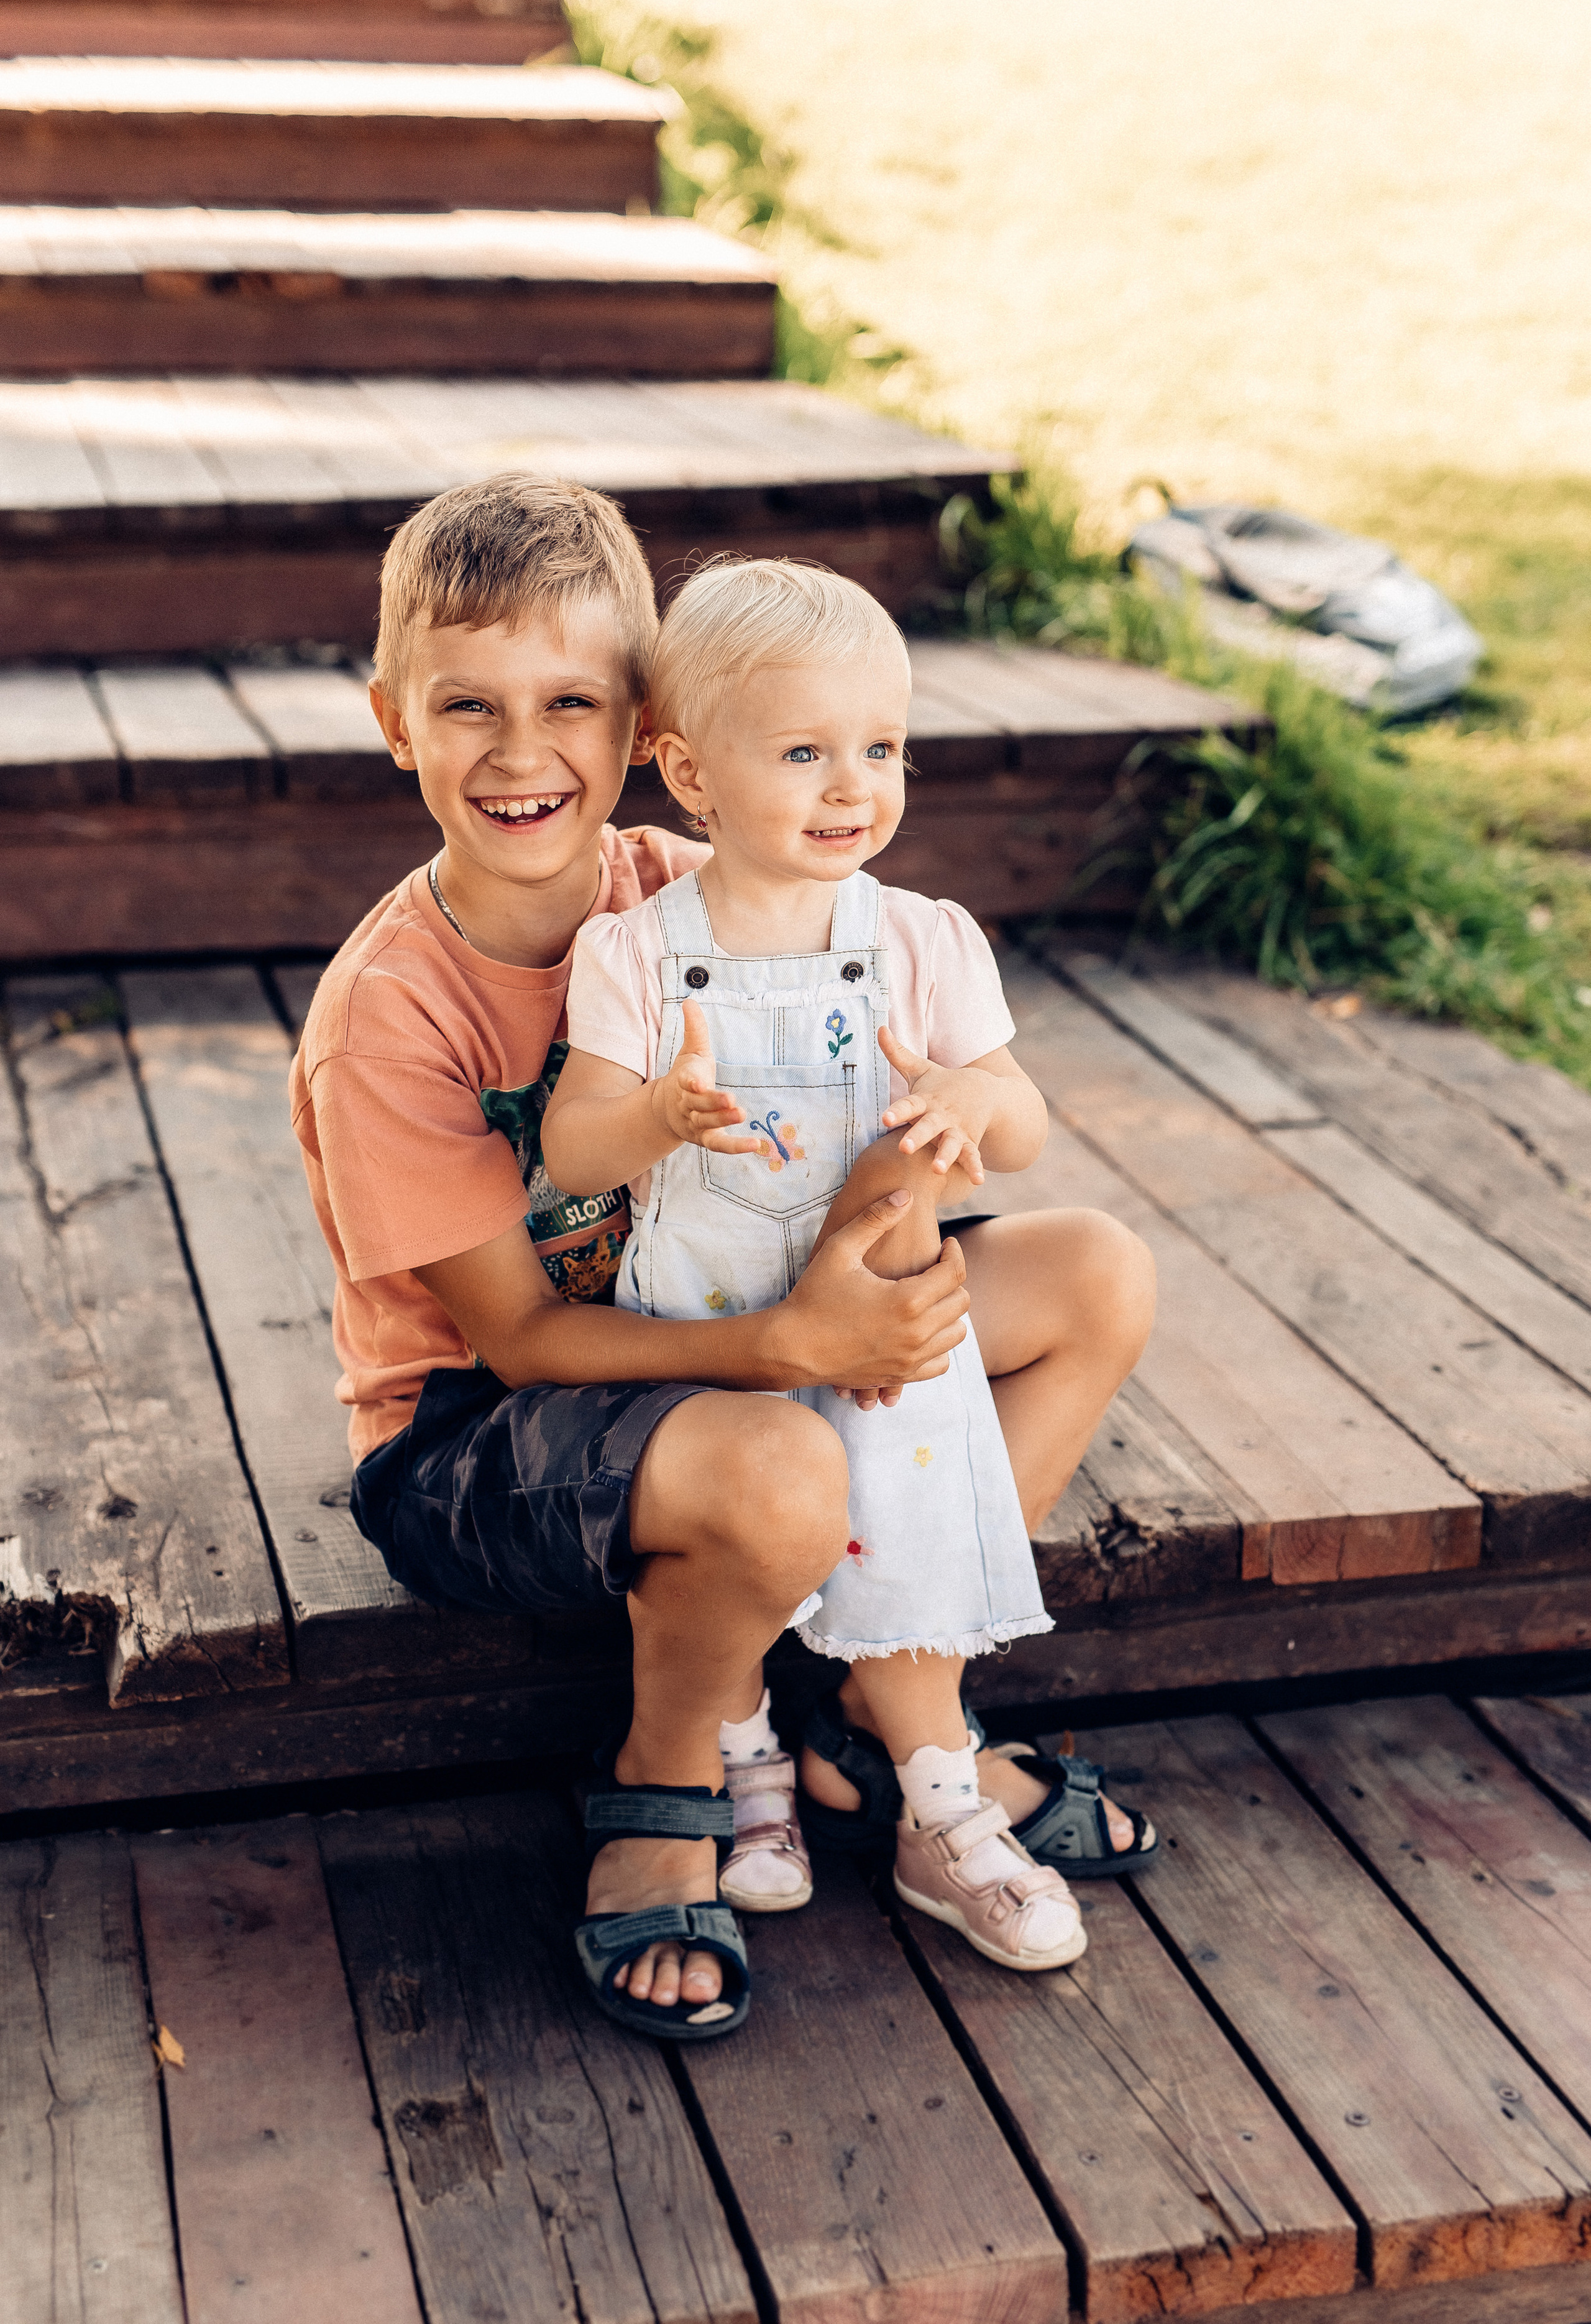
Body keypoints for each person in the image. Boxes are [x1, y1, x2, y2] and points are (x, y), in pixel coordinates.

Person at [290, 472, 1157, 2042]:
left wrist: (931, 1125)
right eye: (466, 707)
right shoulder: (391, 1018)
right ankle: (661, 1783)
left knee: (1089, 1271)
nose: (522, 752)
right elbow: (520, 1344)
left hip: (741, 1308)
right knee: (775, 1466)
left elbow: (881, 993)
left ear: (644, 735)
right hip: (477, 1426)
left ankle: (875, 1693)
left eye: (571, 704)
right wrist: (801, 1348)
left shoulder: (676, 888)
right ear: (394, 723)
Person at [543, 555, 1158, 1983]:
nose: (851, 786)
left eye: (880, 748)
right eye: (805, 751)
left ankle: (931, 1793)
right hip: (716, 1318)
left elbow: (1017, 1121)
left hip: (884, 1305)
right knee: (751, 1506)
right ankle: (746, 1744)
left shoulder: (921, 940)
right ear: (690, 773)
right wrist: (654, 1116)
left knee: (904, 1498)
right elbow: (577, 1147)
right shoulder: (634, 953)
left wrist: (963, 1097)